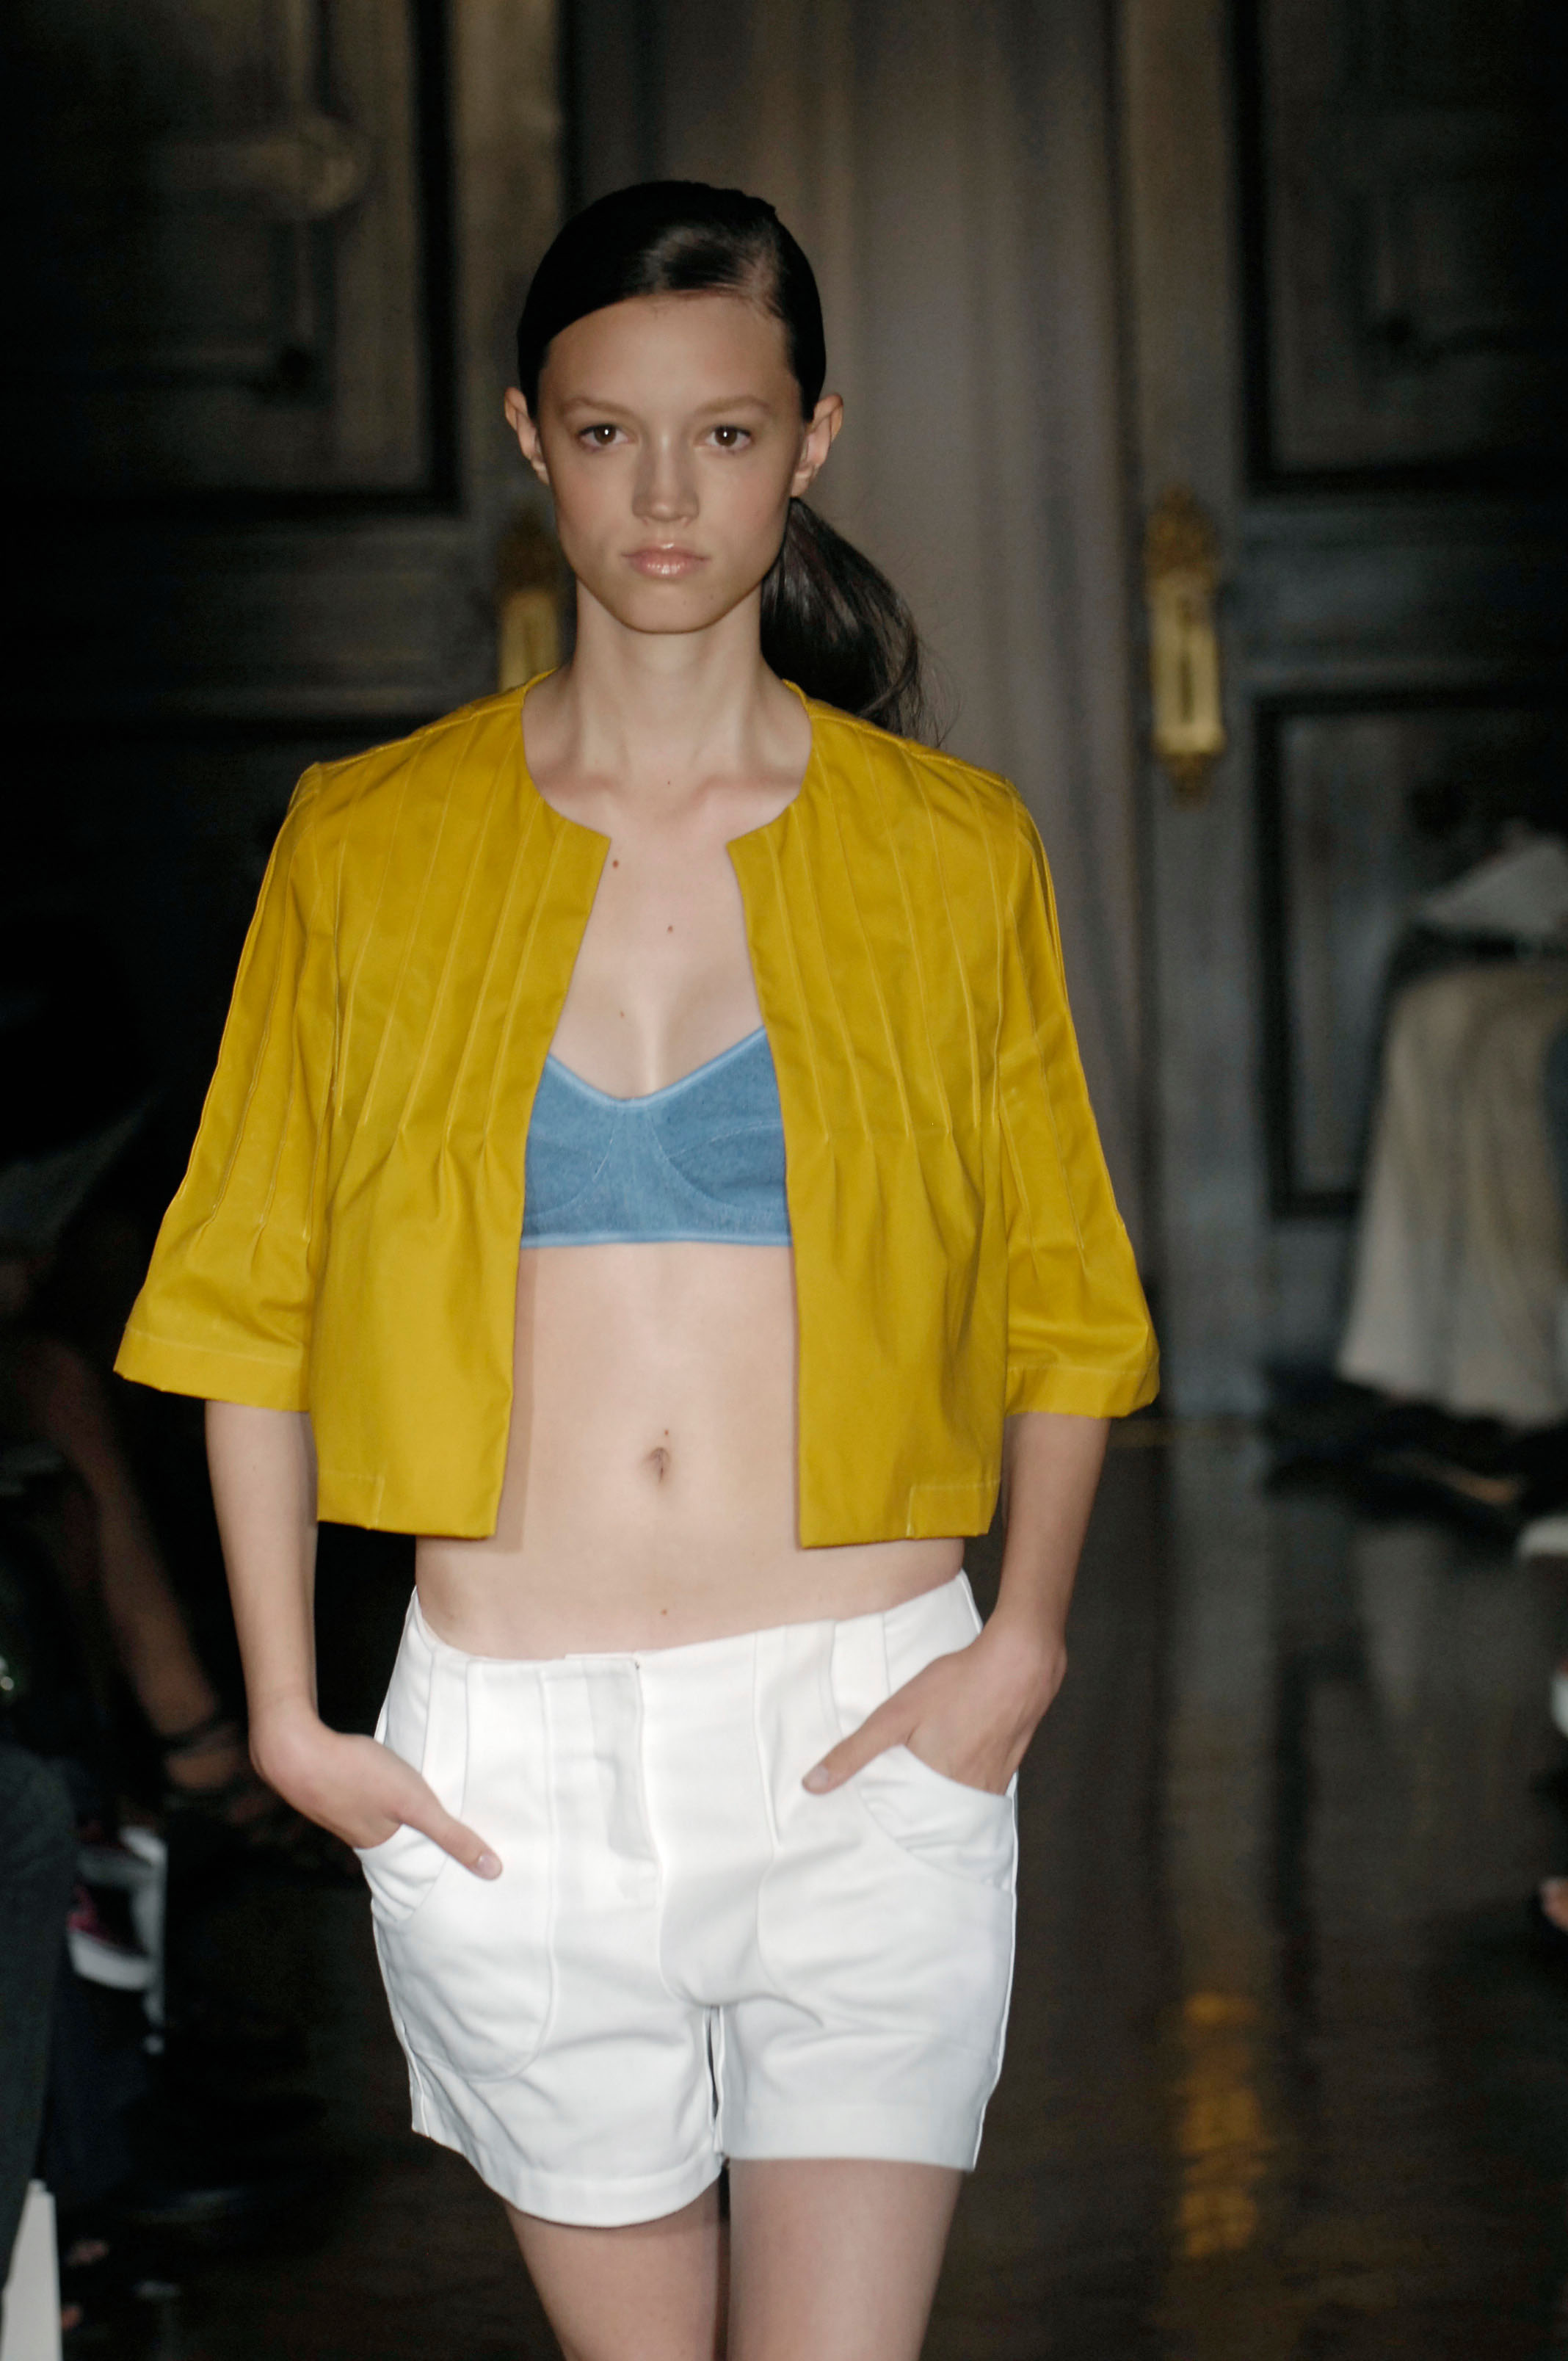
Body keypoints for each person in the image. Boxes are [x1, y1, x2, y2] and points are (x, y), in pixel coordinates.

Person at [114, 182, 1158, 2361]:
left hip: (869, 1724)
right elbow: (245, 1295)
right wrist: (291, 1717)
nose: (665, 496)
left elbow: (1065, 1285)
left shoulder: (951, 849)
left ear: (812, 440)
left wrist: (1024, 1644)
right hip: (510, 1757)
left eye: (726, 434)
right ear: (530, 437)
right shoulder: (368, 841)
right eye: (606, 435)